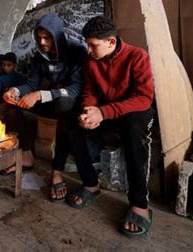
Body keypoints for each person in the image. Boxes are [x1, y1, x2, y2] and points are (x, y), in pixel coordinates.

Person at [68, 16, 155, 238]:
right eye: (87, 44)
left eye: (93, 45)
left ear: (111, 42)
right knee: (73, 123)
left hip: (131, 111)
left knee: (135, 128)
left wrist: (103, 112)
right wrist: (89, 111)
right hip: (105, 112)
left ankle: (139, 203)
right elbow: (90, 92)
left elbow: (143, 98)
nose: (88, 50)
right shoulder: (90, 61)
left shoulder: (137, 57)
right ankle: (90, 184)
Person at [2, 13, 85, 199]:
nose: (42, 41)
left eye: (47, 37)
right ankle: (26, 155)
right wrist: (15, 90)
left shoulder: (76, 52)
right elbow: (31, 84)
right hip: (50, 101)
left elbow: (76, 89)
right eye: (39, 37)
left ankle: (57, 171)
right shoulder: (39, 57)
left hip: (71, 104)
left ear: (58, 35)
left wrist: (40, 95)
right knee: (11, 104)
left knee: (63, 105)